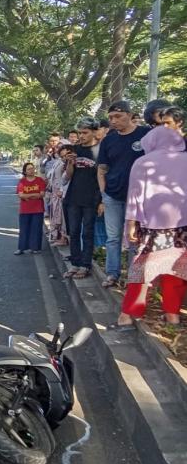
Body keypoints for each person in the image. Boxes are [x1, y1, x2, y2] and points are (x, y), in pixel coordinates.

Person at [112, 126, 187, 330]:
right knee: (176, 270)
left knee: (142, 270)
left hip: (153, 227)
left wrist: (130, 223)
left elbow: (135, 196)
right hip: (182, 227)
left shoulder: (143, 163)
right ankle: (173, 316)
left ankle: (128, 315)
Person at [97, 101, 151, 288]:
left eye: (118, 116)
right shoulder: (108, 140)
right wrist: (104, 194)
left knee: (135, 238)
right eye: (111, 117)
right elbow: (102, 169)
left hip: (139, 198)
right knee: (113, 238)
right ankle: (112, 274)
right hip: (113, 196)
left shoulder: (145, 135)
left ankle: (134, 279)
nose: (114, 121)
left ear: (130, 115)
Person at [62, 120, 102, 279]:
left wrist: (101, 200)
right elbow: (69, 175)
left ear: (94, 132)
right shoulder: (75, 149)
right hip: (73, 197)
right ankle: (75, 263)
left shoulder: (100, 150)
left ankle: (85, 265)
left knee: (87, 232)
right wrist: (70, 163)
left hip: (91, 198)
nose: (81, 136)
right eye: (80, 133)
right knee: (74, 231)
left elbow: (103, 175)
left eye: (85, 132)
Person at [15, 162, 47, 255]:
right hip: (25, 209)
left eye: (32, 168)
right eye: (29, 169)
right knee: (24, 229)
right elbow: (21, 195)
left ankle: (35, 248)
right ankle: (21, 248)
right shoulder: (22, 182)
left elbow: (42, 194)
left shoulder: (39, 180)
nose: (31, 170)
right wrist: (34, 195)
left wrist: (27, 196)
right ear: (25, 171)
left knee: (36, 229)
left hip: (38, 209)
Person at [47, 144, 72, 247]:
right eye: (62, 156)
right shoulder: (60, 162)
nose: (64, 158)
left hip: (64, 194)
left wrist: (61, 190)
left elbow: (66, 179)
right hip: (57, 192)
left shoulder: (69, 164)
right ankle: (59, 237)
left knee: (62, 218)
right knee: (58, 216)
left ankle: (63, 238)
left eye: (66, 155)